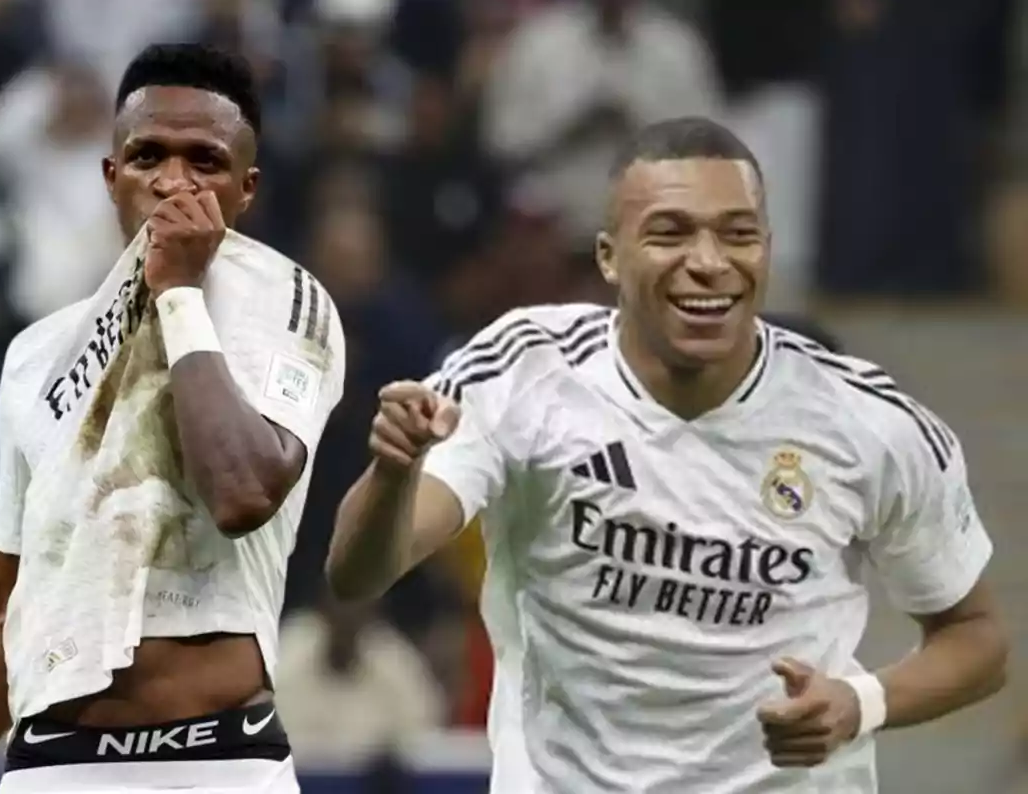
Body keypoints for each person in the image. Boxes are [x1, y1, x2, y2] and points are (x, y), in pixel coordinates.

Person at [326, 117, 1008, 793]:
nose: (709, 261)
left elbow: (978, 638)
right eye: (670, 232)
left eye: (738, 233)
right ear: (608, 256)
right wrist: (393, 471)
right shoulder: (524, 372)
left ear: (768, 250)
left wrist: (861, 703)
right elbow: (359, 574)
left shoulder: (868, 423)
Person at [0, 44, 345, 794]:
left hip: (221, 762)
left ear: (246, 190)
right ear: (111, 175)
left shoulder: (286, 301)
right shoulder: (37, 356)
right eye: (148, 155)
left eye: (204, 162)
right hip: (52, 763)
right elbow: (1, 602)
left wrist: (180, 295)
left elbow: (244, 493)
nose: (172, 181)